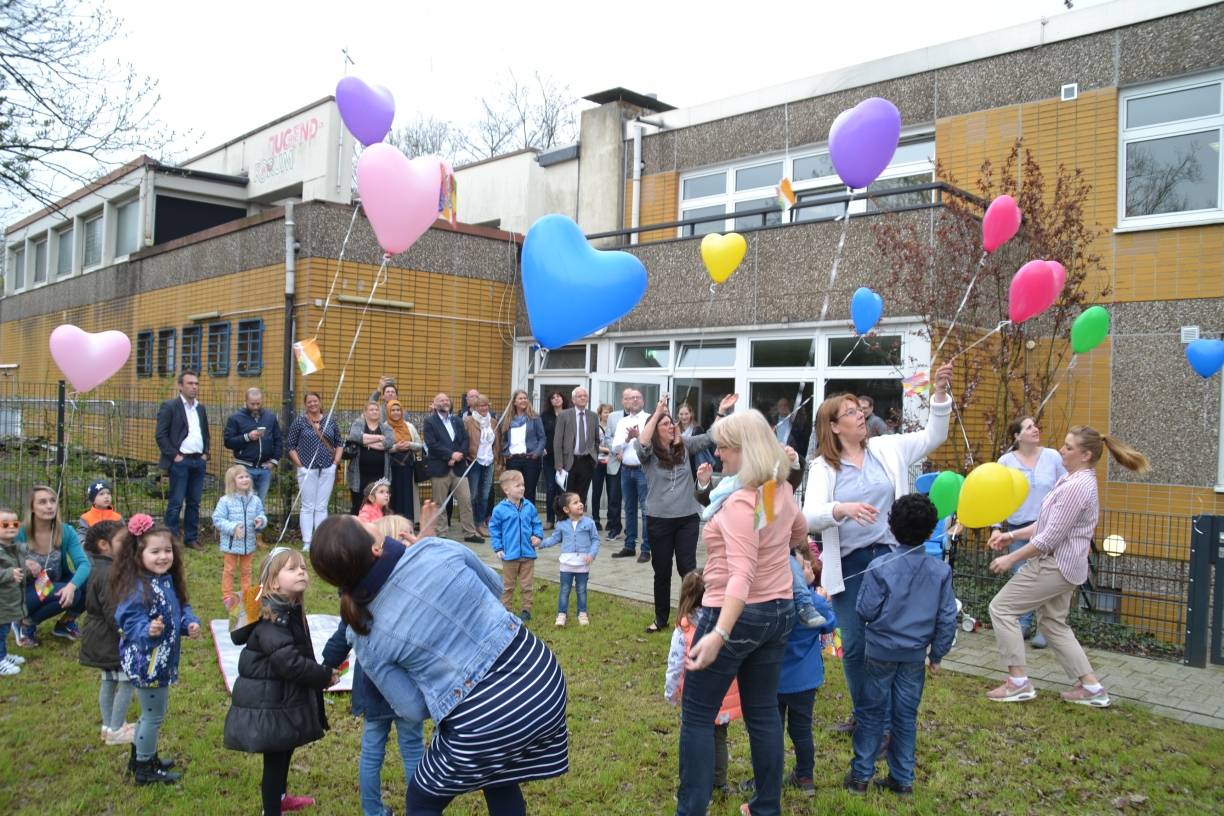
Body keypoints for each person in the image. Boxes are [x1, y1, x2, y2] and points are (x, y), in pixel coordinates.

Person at [309, 514, 569, 814]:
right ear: (376, 549)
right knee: (496, 770)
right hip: (543, 679)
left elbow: (414, 708)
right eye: (361, 521)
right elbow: (495, 586)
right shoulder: (433, 549)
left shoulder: (362, 631)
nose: (367, 519)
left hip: (483, 722)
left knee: (421, 798)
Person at [802, 361, 953, 735]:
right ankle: (866, 716)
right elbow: (809, 516)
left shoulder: (889, 449)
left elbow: (934, 435)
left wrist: (939, 394)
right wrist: (842, 509)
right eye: (850, 412)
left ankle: (885, 722)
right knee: (854, 645)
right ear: (834, 427)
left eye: (859, 409)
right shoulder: (823, 467)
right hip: (851, 568)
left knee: (887, 646)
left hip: (891, 560)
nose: (860, 415)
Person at [676, 409, 805, 816]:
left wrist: (719, 634)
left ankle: (690, 809)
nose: (717, 454)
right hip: (779, 611)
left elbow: (741, 574)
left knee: (697, 716)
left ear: (745, 450)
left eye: (724, 446)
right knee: (763, 711)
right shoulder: (774, 490)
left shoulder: (742, 502)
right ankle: (766, 807)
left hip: (736, 613)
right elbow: (798, 531)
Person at [984, 426, 1150, 707]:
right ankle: (1091, 687)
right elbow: (1045, 525)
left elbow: (1049, 538)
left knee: (1001, 609)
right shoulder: (1072, 481)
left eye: (1069, 447)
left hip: (1055, 566)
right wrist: (1010, 535)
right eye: (1064, 445)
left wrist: (1011, 558)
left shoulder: (1076, 487)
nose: (1062, 450)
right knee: (1052, 624)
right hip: (1066, 566)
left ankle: (1018, 683)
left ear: (1085, 455)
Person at [847, 494, 956, 796]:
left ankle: (861, 776)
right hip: (913, 657)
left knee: (871, 714)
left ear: (892, 527)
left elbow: (865, 609)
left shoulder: (880, 566)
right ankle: (903, 778)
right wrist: (938, 654)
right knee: (905, 717)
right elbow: (947, 618)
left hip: (880, 653)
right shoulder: (940, 571)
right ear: (931, 529)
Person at [224, 547, 339, 815]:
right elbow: (289, 662)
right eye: (292, 568)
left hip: (281, 697)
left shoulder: (288, 609)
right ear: (273, 582)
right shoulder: (271, 618)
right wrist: (323, 675)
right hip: (269, 702)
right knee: (275, 760)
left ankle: (281, 797)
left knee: (285, 749)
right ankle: (271, 809)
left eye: (303, 567)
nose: (301, 571)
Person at [637, 392, 737, 633]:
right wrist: (660, 410)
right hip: (658, 519)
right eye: (664, 423)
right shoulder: (648, 454)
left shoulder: (685, 445)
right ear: (654, 427)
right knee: (661, 572)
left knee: (688, 569)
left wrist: (722, 412)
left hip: (686, 519)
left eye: (671, 422)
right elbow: (642, 442)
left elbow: (711, 436)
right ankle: (660, 619)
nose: (671, 426)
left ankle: (691, 615)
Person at [112, 513, 201, 785]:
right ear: (138, 555)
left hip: (161, 659)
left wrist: (190, 623)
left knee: (150, 714)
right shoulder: (137, 587)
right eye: (155, 552)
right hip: (146, 662)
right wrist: (147, 631)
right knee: (153, 715)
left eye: (167, 550)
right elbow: (128, 620)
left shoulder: (165, 580)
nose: (163, 557)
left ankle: (141, 757)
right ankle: (144, 769)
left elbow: (180, 607)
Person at [665, 569, 742, 800]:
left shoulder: (684, 629)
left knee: (694, 739)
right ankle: (719, 782)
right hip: (724, 698)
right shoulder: (726, 625)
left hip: (696, 698)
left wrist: (671, 692)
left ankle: (693, 785)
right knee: (719, 739)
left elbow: (675, 664)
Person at [995, 415, 1068, 648]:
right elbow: (997, 496)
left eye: (1035, 425)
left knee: (1048, 578)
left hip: (1049, 528)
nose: (1035, 429)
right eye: (1028, 427)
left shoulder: (1053, 457)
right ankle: (1023, 623)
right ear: (1017, 436)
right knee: (1022, 577)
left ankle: (1045, 628)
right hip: (1018, 528)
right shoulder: (1005, 462)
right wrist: (997, 527)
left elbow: (1064, 489)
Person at [777, 545, 837, 797]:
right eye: (803, 565)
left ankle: (767, 776)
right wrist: (826, 603)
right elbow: (830, 625)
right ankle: (805, 776)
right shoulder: (813, 603)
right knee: (801, 729)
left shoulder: (774, 601)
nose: (809, 567)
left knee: (772, 730)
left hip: (775, 680)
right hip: (805, 680)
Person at [12, 485, 90, 645]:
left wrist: (71, 586)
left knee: (90, 582)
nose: (49, 505)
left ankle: (64, 624)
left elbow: (84, 564)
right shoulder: (19, 532)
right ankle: (22, 622)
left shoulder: (65, 531)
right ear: (31, 508)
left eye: (52, 501)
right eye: (42, 502)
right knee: (67, 592)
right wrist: (22, 561)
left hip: (52, 584)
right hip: (24, 592)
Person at [79, 520, 133, 743]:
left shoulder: (97, 567)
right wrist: (127, 633)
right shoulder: (110, 573)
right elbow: (113, 610)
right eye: (122, 541)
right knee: (127, 680)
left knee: (109, 680)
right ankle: (116, 728)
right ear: (104, 544)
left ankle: (107, 725)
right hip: (109, 638)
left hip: (97, 634)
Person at [155, 371, 210, 550]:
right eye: (190, 383)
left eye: (196, 383)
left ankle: (191, 538)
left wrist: (205, 453)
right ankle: (170, 540)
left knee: (194, 502)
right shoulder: (170, 406)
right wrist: (174, 456)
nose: (194, 387)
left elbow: (205, 433)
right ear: (180, 386)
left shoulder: (200, 408)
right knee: (176, 502)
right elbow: (161, 435)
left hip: (198, 461)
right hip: (181, 462)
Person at [286, 391, 343, 553]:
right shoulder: (300, 422)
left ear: (320, 402)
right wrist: (301, 466)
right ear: (305, 404)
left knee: (321, 506)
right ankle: (307, 541)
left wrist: (335, 463)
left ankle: (320, 540)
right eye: (309, 402)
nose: (312, 404)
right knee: (307, 506)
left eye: (315, 401)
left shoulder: (330, 420)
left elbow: (339, 442)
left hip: (327, 468)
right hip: (307, 470)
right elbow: (290, 446)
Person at [423, 393, 482, 544]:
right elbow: (432, 444)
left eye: (447, 400)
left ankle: (469, 532)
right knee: (440, 502)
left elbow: (465, 440)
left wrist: (459, 455)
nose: (445, 402)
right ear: (435, 404)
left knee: (466, 499)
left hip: (459, 468)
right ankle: (441, 532)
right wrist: (450, 455)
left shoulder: (457, 420)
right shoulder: (429, 422)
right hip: (440, 468)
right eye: (441, 400)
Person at [489, 469, 544, 621]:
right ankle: (506, 611)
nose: (522, 488)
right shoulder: (499, 510)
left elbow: (537, 524)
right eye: (518, 485)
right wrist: (498, 547)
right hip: (509, 555)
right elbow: (494, 530)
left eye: (523, 485)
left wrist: (537, 536)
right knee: (508, 586)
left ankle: (526, 610)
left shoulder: (529, 507)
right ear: (506, 490)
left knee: (527, 585)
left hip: (528, 555)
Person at [212, 465, 267, 611]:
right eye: (241, 477)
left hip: (248, 544)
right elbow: (217, 519)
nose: (245, 479)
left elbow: (261, 513)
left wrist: (260, 520)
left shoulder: (255, 500)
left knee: (247, 571)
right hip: (231, 545)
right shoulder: (225, 501)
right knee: (229, 570)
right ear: (232, 481)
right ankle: (227, 597)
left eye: (247, 476)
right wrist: (233, 527)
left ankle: (246, 596)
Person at [541, 492, 600, 627]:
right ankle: (562, 614)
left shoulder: (589, 523)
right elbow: (555, 539)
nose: (580, 504)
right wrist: (541, 543)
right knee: (564, 589)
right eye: (575, 502)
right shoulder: (561, 524)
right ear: (566, 510)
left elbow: (596, 540)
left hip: (583, 564)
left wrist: (592, 554)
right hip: (566, 564)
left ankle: (582, 613)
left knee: (581, 590)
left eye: (580, 501)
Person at [610, 388, 650, 562]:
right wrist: (627, 439)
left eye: (637, 397)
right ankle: (629, 545)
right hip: (626, 470)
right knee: (629, 509)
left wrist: (638, 436)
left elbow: (650, 444)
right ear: (626, 401)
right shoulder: (622, 421)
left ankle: (646, 548)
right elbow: (615, 448)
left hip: (643, 470)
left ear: (643, 401)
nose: (634, 400)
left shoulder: (648, 419)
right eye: (631, 398)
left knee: (646, 510)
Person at [223, 387, 283, 503]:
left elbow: (278, 440)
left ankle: (258, 521)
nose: (255, 407)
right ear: (245, 401)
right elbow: (228, 442)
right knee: (244, 503)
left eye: (258, 404)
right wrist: (247, 437)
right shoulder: (235, 418)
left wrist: (274, 461)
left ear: (262, 401)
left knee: (259, 504)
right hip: (244, 469)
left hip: (265, 468)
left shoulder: (270, 417)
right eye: (252, 404)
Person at [497, 389, 547, 511]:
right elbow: (503, 439)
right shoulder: (507, 419)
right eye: (520, 398)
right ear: (514, 402)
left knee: (529, 491)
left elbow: (542, 438)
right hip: (513, 460)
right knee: (514, 492)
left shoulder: (534, 418)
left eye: (525, 398)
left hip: (531, 459)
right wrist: (506, 453)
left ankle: (528, 520)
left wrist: (537, 453)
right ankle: (514, 518)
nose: (523, 400)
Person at [553, 386, 600, 511]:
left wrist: (594, 457)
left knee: (581, 496)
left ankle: (578, 523)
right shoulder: (564, 415)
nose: (583, 398)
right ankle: (564, 523)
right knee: (567, 496)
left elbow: (596, 440)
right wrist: (558, 464)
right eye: (580, 396)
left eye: (585, 396)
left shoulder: (593, 416)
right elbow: (557, 441)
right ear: (573, 400)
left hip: (586, 461)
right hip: (569, 461)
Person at [348, 402, 394, 516]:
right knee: (358, 504)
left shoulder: (386, 427)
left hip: (380, 474)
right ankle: (357, 530)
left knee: (379, 504)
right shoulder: (358, 424)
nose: (374, 411)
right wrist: (379, 438)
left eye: (376, 410)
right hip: (359, 474)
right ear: (365, 412)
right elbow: (354, 436)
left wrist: (365, 442)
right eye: (371, 409)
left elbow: (388, 443)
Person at [385, 399, 424, 525]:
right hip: (391, 469)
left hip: (408, 469)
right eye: (393, 410)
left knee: (408, 498)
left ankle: (408, 524)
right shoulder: (384, 427)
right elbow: (382, 447)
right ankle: (393, 524)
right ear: (388, 412)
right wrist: (396, 448)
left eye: (398, 410)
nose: (396, 413)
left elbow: (420, 445)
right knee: (393, 496)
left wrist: (409, 444)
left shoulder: (409, 426)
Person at [463, 394, 497, 537]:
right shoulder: (468, 421)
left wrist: (498, 459)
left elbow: (497, 443)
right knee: (473, 495)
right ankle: (469, 525)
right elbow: (463, 440)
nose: (483, 408)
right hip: (474, 461)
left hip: (488, 461)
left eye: (485, 405)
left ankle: (480, 523)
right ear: (475, 407)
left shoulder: (493, 422)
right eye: (480, 405)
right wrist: (466, 457)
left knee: (484, 495)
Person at [0, 506, 27, 676]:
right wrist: (9, 574)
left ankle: (3, 654)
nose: (11, 527)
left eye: (15, 523)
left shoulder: (13, 547)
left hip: (8, 601)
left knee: (4, 629)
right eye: (5, 524)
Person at [540, 391, 569, 530]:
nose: (556, 399)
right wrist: (542, 447)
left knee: (562, 488)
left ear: (563, 399)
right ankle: (550, 519)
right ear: (550, 401)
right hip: (549, 457)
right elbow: (541, 434)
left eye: (558, 396)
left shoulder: (569, 414)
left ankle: (561, 519)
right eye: (553, 397)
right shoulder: (545, 416)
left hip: (565, 457)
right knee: (551, 487)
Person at [590, 403, 615, 531]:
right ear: (600, 414)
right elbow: (593, 444)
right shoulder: (595, 427)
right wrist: (607, 449)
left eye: (610, 412)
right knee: (597, 492)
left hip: (611, 463)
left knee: (612, 492)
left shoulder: (614, 427)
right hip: (598, 463)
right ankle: (596, 519)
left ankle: (611, 520)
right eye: (605, 412)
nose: (608, 414)